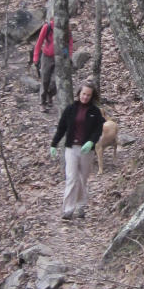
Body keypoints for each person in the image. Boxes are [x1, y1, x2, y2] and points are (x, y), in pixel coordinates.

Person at [50, 82, 103, 220]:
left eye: (88, 95)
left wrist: (92, 141)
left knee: (82, 179)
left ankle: (81, 206)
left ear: (92, 97)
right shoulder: (70, 109)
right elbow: (61, 128)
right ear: (79, 93)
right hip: (71, 148)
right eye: (83, 94)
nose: (85, 97)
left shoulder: (95, 112)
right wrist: (54, 144)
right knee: (71, 178)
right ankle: (68, 209)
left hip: (87, 150)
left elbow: (98, 130)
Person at [31, 20, 72, 110]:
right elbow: (39, 42)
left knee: (55, 81)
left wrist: (68, 56)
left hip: (59, 58)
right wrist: (36, 57)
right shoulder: (47, 27)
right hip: (47, 57)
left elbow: (69, 43)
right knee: (45, 79)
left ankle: (50, 95)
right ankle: (42, 102)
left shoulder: (66, 28)